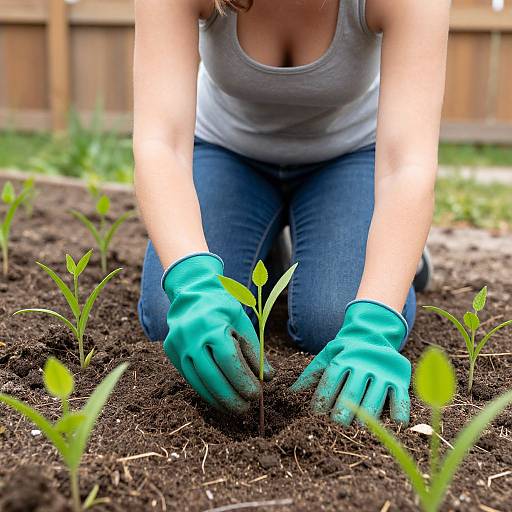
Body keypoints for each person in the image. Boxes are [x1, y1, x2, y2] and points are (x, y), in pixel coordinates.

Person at [133, 0, 449, 426]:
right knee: (167, 313)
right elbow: (161, 143)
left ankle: (397, 244)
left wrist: (375, 326)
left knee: (332, 323)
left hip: (349, 157)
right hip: (229, 152)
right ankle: (275, 248)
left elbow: (405, 166)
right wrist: (191, 283)